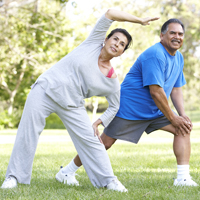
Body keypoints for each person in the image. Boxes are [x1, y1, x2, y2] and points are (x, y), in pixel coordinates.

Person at [1, 9, 159, 190]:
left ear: (122, 52)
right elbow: (110, 13)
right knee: (28, 132)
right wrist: (139, 20)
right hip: (46, 89)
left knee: (92, 140)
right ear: (106, 39)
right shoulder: (92, 43)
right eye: (115, 38)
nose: (117, 43)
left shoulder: (111, 80)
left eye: (122, 44)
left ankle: (108, 180)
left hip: (72, 104)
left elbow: (115, 106)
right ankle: (14, 177)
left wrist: (99, 122)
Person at [60, 18, 198, 187]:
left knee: (182, 128)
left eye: (180, 34)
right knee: (104, 144)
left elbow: (176, 89)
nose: (177, 37)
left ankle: (182, 179)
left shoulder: (178, 58)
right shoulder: (155, 55)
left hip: (155, 109)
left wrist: (182, 116)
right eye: (172, 33)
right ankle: (67, 171)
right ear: (162, 36)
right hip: (129, 108)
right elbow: (156, 91)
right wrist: (172, 116)